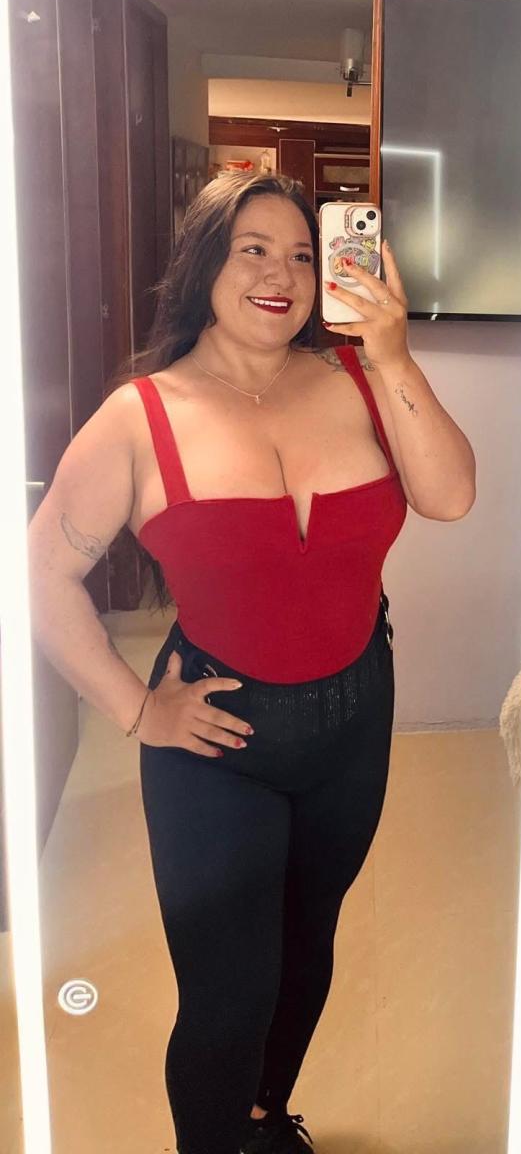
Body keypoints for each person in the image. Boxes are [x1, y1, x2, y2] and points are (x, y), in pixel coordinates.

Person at [26, 171, 476, 1154]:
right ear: (205, 266)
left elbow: (449, 496)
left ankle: (267, 1119)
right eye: (255, 250)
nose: (283, 275)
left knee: (307, 949)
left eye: (304, 255)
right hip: (218, 744)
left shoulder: (358, 378)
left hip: (354, 720)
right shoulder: (141, 417)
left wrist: (393, 350)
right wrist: (138, 710)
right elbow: (41, 575)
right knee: (228, 993)